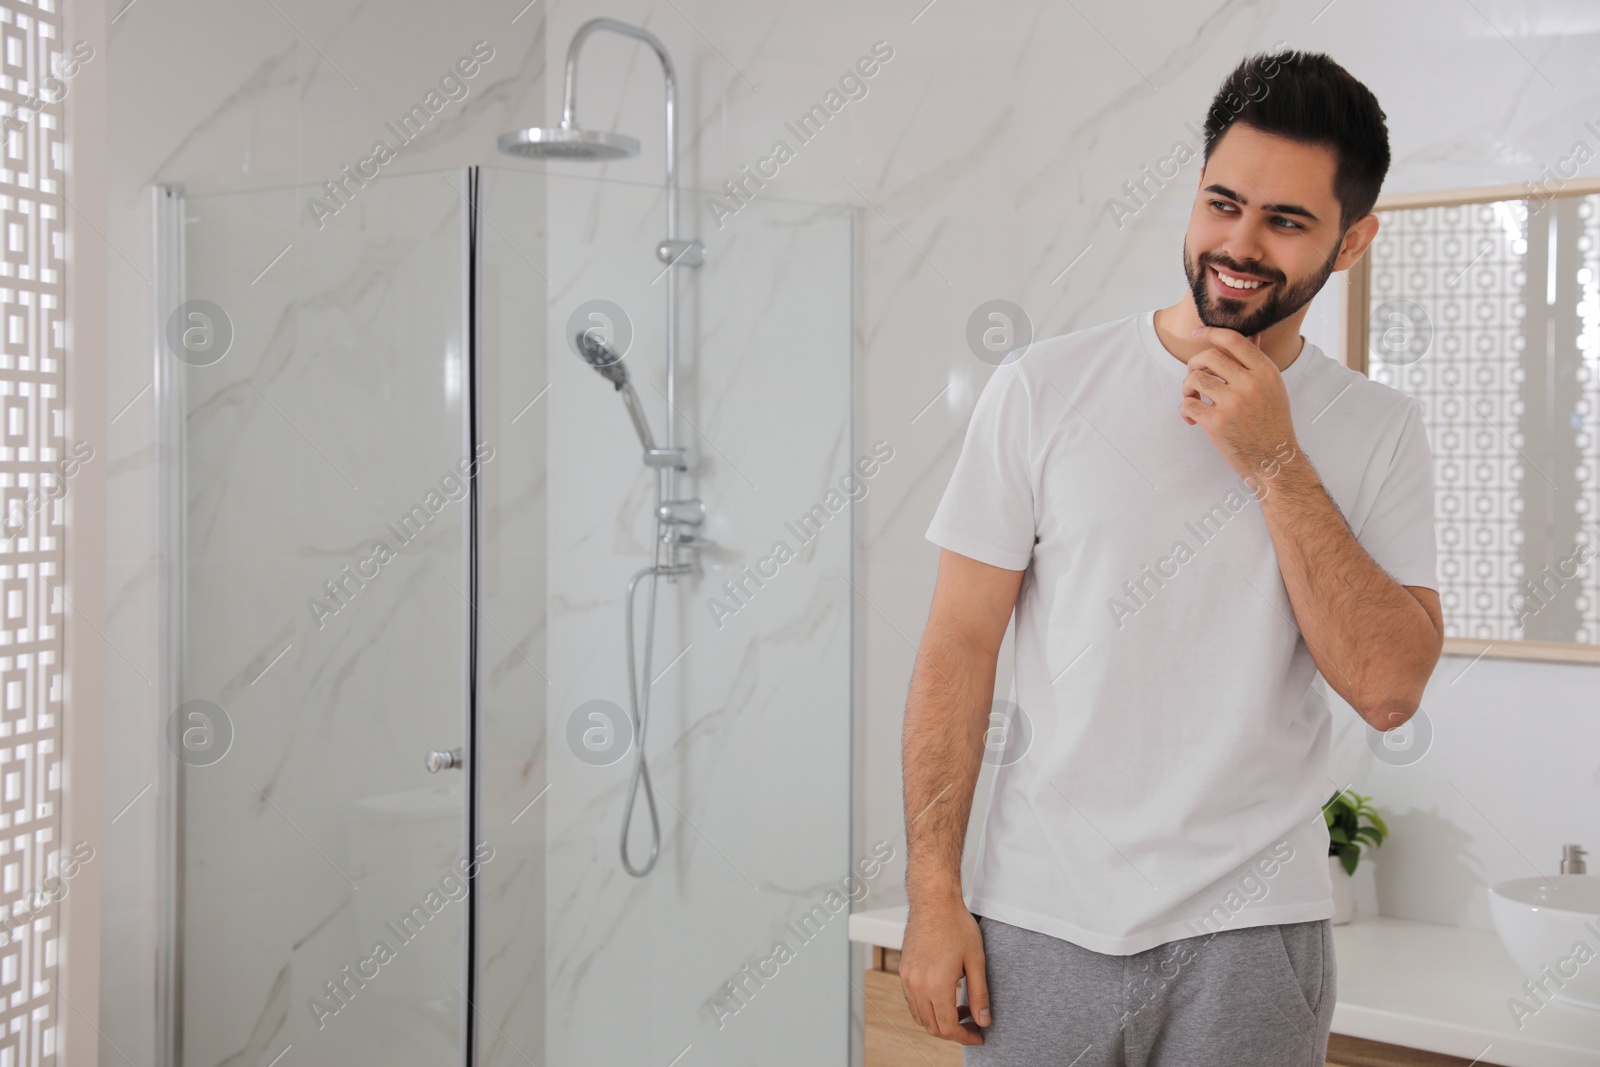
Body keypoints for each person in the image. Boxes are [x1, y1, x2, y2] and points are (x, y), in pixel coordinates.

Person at [899, 49, 1443, 1066]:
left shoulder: (1378, 430)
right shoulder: (1041, 389)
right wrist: (934, 893)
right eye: (1221, 202)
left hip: (1252, 937)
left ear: (1352, 239)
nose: (1237, 244)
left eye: (1284, 220)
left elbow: (1386, 687)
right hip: (1040, 918)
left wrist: (1274, 458)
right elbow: (956, 651)